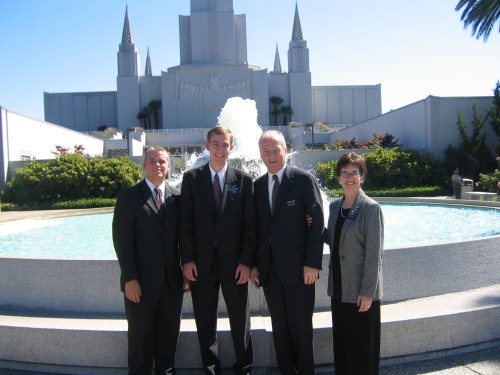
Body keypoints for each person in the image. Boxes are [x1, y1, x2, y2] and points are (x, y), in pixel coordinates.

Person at [180, 125, 256, 375]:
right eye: (216, 144)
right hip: (201, 263)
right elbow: (186, 223)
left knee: (240, 319)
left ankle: (244, 365)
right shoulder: (191, 179)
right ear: (207, 146)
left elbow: (250, 226)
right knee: (204, 319)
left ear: (231, 148)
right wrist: (187, 259)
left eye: (225, 145)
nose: (220, 150)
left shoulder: (243, 180)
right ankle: (211, 368)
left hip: (235, 264)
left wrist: (246, 262)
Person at [251, 130, 324, 374]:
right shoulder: (258, 187)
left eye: (276, 150)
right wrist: (254, 265)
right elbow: (257, 230)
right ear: (260, 154)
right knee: (279, 330)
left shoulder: (303, 180)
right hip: (270, 272)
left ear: (285, 150)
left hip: (301, 271)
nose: (271, 156)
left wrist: (312, 263)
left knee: (301, 329)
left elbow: (317, 224)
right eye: (266, 152)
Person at [112, 146, 188, 375]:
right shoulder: (128, 197)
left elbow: (184, 238)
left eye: (162, 161)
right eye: (152, 161)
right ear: (143, 165)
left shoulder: (177, 198)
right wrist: (130, 279)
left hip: (171, 283)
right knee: (140, 341)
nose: (157, 165)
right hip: (140, 285)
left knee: (168, 340)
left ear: (169, 166)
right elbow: (122, 241)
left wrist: (185, 270)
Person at [324, 152, 384, 375]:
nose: (349, 178)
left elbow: (374, 254)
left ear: (362, 176)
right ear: (338, 177)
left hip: (361, 291)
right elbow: (333, 238)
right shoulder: (334, 206)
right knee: (343, 344)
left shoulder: (370, 208)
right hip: (339, 288)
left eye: (354, 173)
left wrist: (368, 291)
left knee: (361, 347)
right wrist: (311, 224)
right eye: (344, 173)